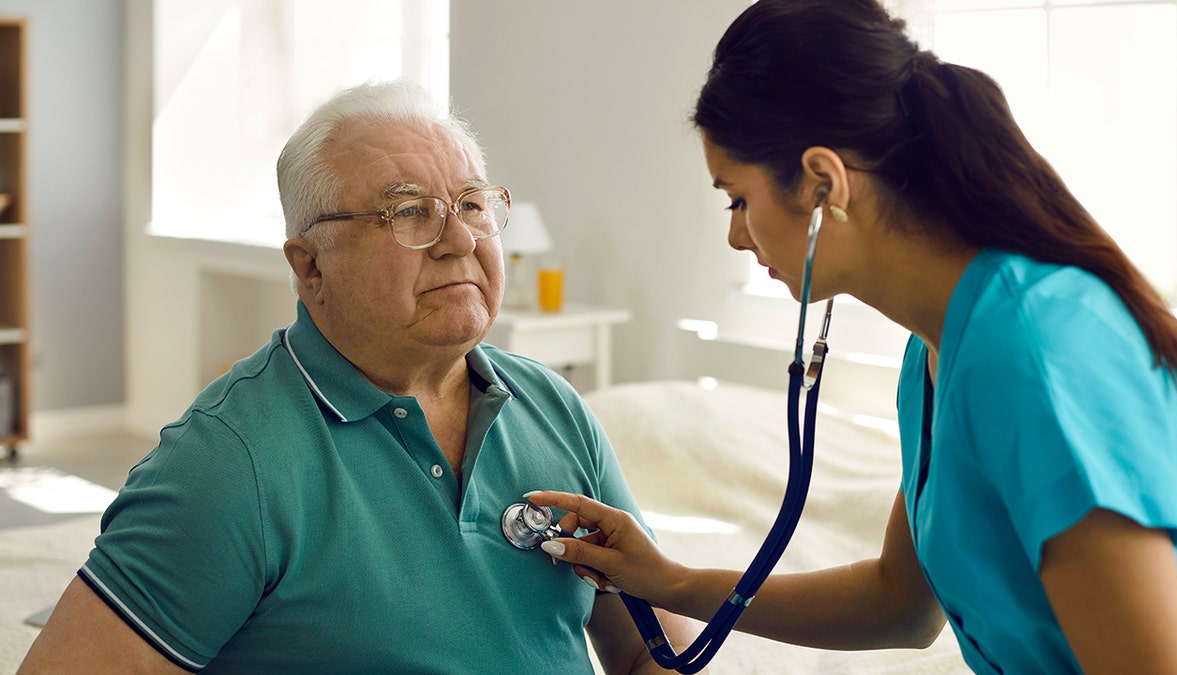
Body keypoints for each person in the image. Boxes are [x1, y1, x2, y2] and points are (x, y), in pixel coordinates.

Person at [528, 1, 1177, 673]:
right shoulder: (934, 350)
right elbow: (899, 604)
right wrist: (669, 580)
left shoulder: (1035, 350)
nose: (735, 234)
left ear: (824, 184)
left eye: (736, 198)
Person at [18, 80, 695, 674]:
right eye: (408, 212)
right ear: (310, 265)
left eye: (471, 205)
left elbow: (650, 652)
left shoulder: (554, 407)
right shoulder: (225, 463)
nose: (458, 239)